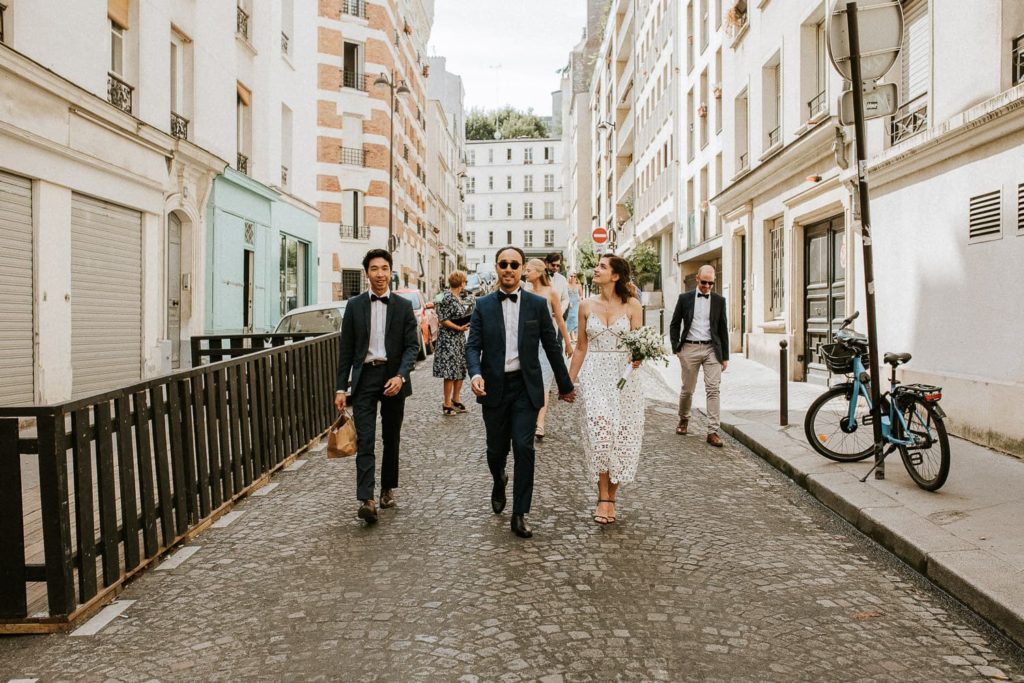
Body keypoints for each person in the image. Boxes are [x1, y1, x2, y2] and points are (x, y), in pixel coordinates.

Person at [466, 246, 576, 539]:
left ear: (522, 269)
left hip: (526, 388)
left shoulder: (536, 305)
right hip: (494, 388)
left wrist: (565, 385)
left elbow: (552, 348)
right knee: (495, 451)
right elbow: (472, 346)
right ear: (497, 267)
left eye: (515, 264)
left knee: (525, 449)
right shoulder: (483, 305)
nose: (509, 269)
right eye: (504, 264)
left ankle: (520, 513)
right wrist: (475, 374)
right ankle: (499, 478)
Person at [335, 249, 419, 523]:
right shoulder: (355, 305)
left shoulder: (404, 307)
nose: (380, 274)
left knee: (391, 437)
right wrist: (340, 388)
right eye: (374, 269)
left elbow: (412, 346)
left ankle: (387, 489)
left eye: (384, 268)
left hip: (393, 376)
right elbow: (346, 350)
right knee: (366, 438)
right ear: (367, 273)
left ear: (390, 272)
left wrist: (401, 375)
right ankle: (366, 499)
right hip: (365, 379)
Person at [567, 254, 645, 525]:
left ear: (616, 276)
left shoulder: (633, 305)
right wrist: (568, 382)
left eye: (602, 266)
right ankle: (603, 496)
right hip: (595, 375)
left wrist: (639, 356)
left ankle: (612, 496)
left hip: (625, 379)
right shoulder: (586, 305)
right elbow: (580, 347)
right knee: (601, 433)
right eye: (597, 265)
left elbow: (638, 344)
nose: (595, 269)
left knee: (623, 438)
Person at [669, 264, 729, 447]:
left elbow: (722, 328)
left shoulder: (719, 300)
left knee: (713, 389)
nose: (707, 287)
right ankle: (683, 419)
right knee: (688, 389)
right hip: (689, 348)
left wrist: (725, 356)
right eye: (704, 283)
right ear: (697, 279)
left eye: (711, 284)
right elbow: (674, 324)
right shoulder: (684, 298)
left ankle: (713, 431)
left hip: (712, 349)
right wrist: (676, 349)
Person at [523, 259, 573, 439]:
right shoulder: (524, 292)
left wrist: (567, 342)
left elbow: (559, 319)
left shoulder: (551, 292)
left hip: (546, 344)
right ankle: (528, 420)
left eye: (528, 270)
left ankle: (540, 423)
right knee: (527, 381)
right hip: (527, 343)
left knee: (544, 382)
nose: (525, 273)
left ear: (538, 272)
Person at [434, 271, 472, 415]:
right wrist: (458, 327)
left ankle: (456, 400)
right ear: (461, 283)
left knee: (460, 369)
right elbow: (443, 319)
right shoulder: (446, 296)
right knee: (449, 371)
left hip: (459, 339)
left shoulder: (458, 297)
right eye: (465, 281)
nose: (465, 284)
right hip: (449, 339)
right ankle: (447, 404)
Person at [544, 252, 570, 319]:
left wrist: (561, 311)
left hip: (556, 318)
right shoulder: (538, 277)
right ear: (546, 263)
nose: (555, 267)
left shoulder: (562, 279)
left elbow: (565, 298)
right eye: (553, 265)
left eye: (558, 266)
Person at [565, 272, 583, 344]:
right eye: (571, 276)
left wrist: (579, 298)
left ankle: (574, 336)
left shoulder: (578, 286)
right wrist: (568, 302)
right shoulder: (566, 285)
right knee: (569, 319)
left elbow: (581, 295)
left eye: (574, 276)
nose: (573, 277)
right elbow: (565, 296)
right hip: (569, 304)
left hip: (576, 304)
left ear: (576, 278)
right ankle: (570, 337)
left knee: (575, 319)